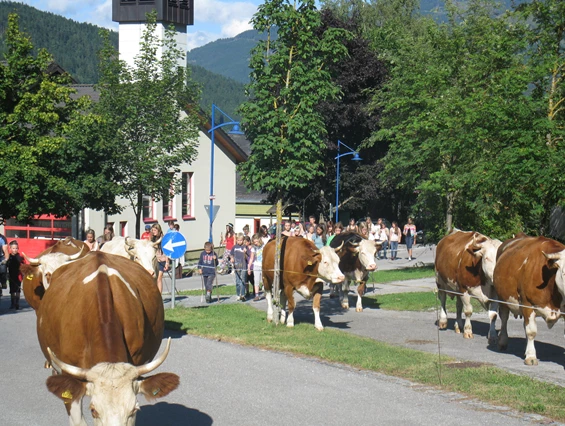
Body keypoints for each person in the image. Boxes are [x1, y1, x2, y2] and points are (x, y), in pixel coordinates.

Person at [6, 241, 25, 310]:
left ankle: (17, 303)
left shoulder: (20, 257)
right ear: (10, 248)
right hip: (11, 276)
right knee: (12, 290)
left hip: (18, 276)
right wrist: (6, 274)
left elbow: (23, 265)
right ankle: (12, 303)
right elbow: (6, 266)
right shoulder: (9, 257)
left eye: (16, 248)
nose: (15, 250)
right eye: (13, 248)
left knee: (18, 290)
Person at [230, 233, 248, 301]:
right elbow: (231, 254)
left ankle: (243, 294)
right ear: (236, 240)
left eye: (241, 240)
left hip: (243, 266)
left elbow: (246, 257)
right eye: (238, 240)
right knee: (238, 282)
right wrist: (232, 258)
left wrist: (245, 253)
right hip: (237, 266)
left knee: (243, 281)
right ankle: (238, 294)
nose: (239, 242)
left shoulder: (244, 247)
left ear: (243, 240)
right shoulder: (234, 247)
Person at [152, 223, 168, 293]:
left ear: (158, 230)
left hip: (163, 260)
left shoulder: (163, 238)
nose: (153, 232)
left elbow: (167, 251)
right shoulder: (153, 239)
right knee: (154, 278)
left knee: (159, 278)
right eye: (152, 230)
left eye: (155, 230)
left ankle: (159, 295)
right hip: (155, 261)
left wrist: (167, 262)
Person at [247, 233, 264, 301]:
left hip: (263, 266)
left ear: (259, 240)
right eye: (254, 242)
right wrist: (249, 267)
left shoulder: (264, 246)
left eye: (257, 241)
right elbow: (251, 258)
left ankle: (267, 292)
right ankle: (257, 295)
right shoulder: (253, 248)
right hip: (256, 265)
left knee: (264, 280)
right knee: (256, 280)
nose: (256, 243)